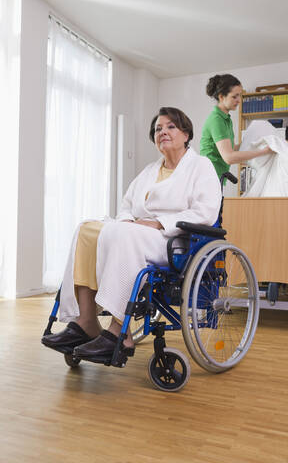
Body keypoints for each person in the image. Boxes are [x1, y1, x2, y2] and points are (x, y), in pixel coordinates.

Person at [42, 107, 222, 361]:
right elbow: (126, 206)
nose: (163, 132)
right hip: (135, 232)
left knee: (124, 234)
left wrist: (159, 223)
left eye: (170, 127)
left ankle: (119, 332)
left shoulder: (201, 166)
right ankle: (86, 321)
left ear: (186, 133)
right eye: (158, 129)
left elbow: (206, 211)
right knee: (86, 229)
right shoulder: (149, 170)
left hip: (173, 240)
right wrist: (128, 222)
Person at [200, 74, 273, 180]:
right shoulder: (217, 120)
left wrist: (257, 143)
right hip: (209, 177)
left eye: (240, 95)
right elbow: (229, 157)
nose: (239, 100)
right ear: (221, 97)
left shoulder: (226, 119)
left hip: (216, 176)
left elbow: (232, 148)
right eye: (234, 96)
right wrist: (263, 152)